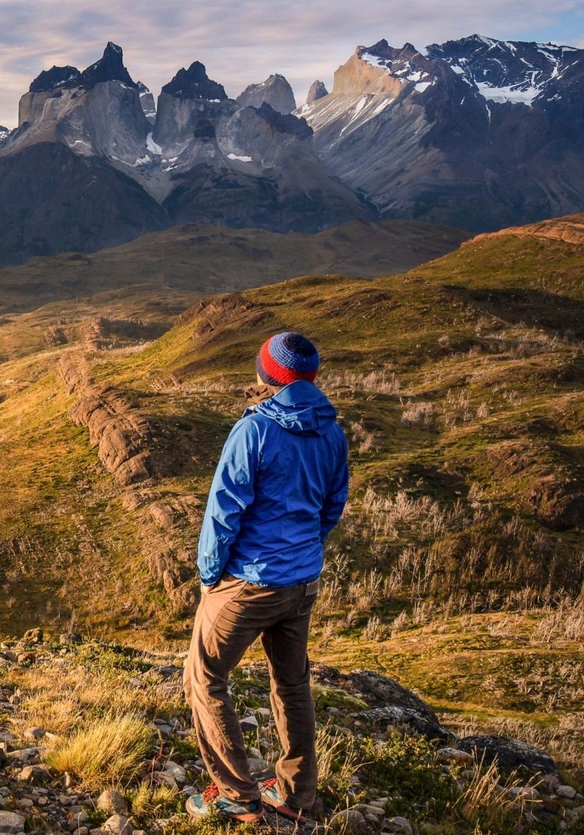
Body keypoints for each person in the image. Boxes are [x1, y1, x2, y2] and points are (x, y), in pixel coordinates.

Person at [183, 332, 349, 823]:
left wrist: (210, 576)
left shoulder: (253, 431)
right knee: (292, 683)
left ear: (267, 376)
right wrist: (302, 551)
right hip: (302, 582)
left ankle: (237, 793)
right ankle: (298, 797)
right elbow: (331, 508)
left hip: (250, 582)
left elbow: (223, 512)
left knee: (205, 675)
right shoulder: (332, 432)